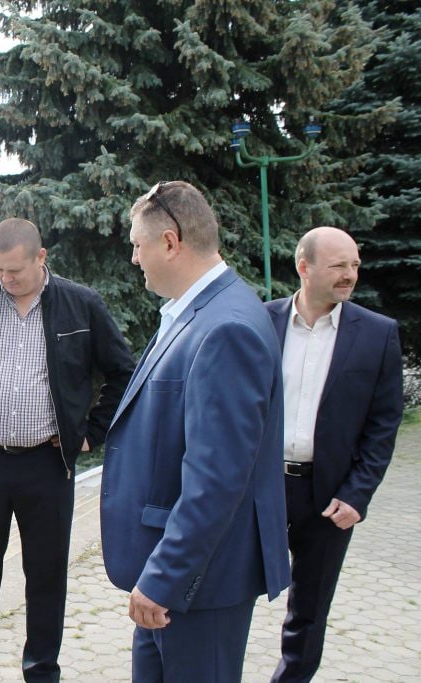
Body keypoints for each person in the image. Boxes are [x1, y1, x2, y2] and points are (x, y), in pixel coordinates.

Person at [0, 217, 135, 682]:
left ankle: (41, 670)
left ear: (41, 257)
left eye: (15, 270)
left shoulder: (81, 305)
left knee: (46, 574)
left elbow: (123, 371)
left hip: (48, 463)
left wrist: (91, 433)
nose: (6, 279)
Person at [100, 181, 290, 682]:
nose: (134, 259)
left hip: (197, 583)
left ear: (170, 242)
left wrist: (164, 577)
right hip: (174, 577)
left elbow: (217, 479)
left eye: (137, 245)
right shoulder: (199, 311)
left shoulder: (227, 327)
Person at [266, 226, 403, 682]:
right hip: (260, 488)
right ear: (304, 267)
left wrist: (357, 494)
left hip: (328, 498)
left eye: (355, 265)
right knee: (229, 590)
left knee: (309, 610)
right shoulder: (261, 322)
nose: (350, 275)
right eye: (339, 265)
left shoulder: (378, 334)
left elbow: (383, 424)